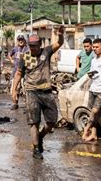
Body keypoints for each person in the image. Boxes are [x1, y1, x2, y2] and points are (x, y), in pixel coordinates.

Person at [13, 26, 65, 160]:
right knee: (34, 122)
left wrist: (60, 34)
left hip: (47, 91)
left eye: (35, 46)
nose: (33, 48)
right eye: (31, 46)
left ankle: (41, 137)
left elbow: (59, 43)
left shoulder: (46, 52)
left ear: (40, 44)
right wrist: (14, 89)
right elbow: (19, 73)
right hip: (31, 92)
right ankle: (36, 149)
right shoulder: (25, 57)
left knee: (52, 122)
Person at [8, 35, 29, 110]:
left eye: (22, 40)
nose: (21, 41)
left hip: (25, 72)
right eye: (19, 40)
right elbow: (9, 54)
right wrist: (11, 60)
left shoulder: (27, 49)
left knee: (25, 89)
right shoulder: (15, 48)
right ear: (17, 41)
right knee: (15, 88)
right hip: (15, 71)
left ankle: (27, 104)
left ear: (24, 40)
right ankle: (15, 103)